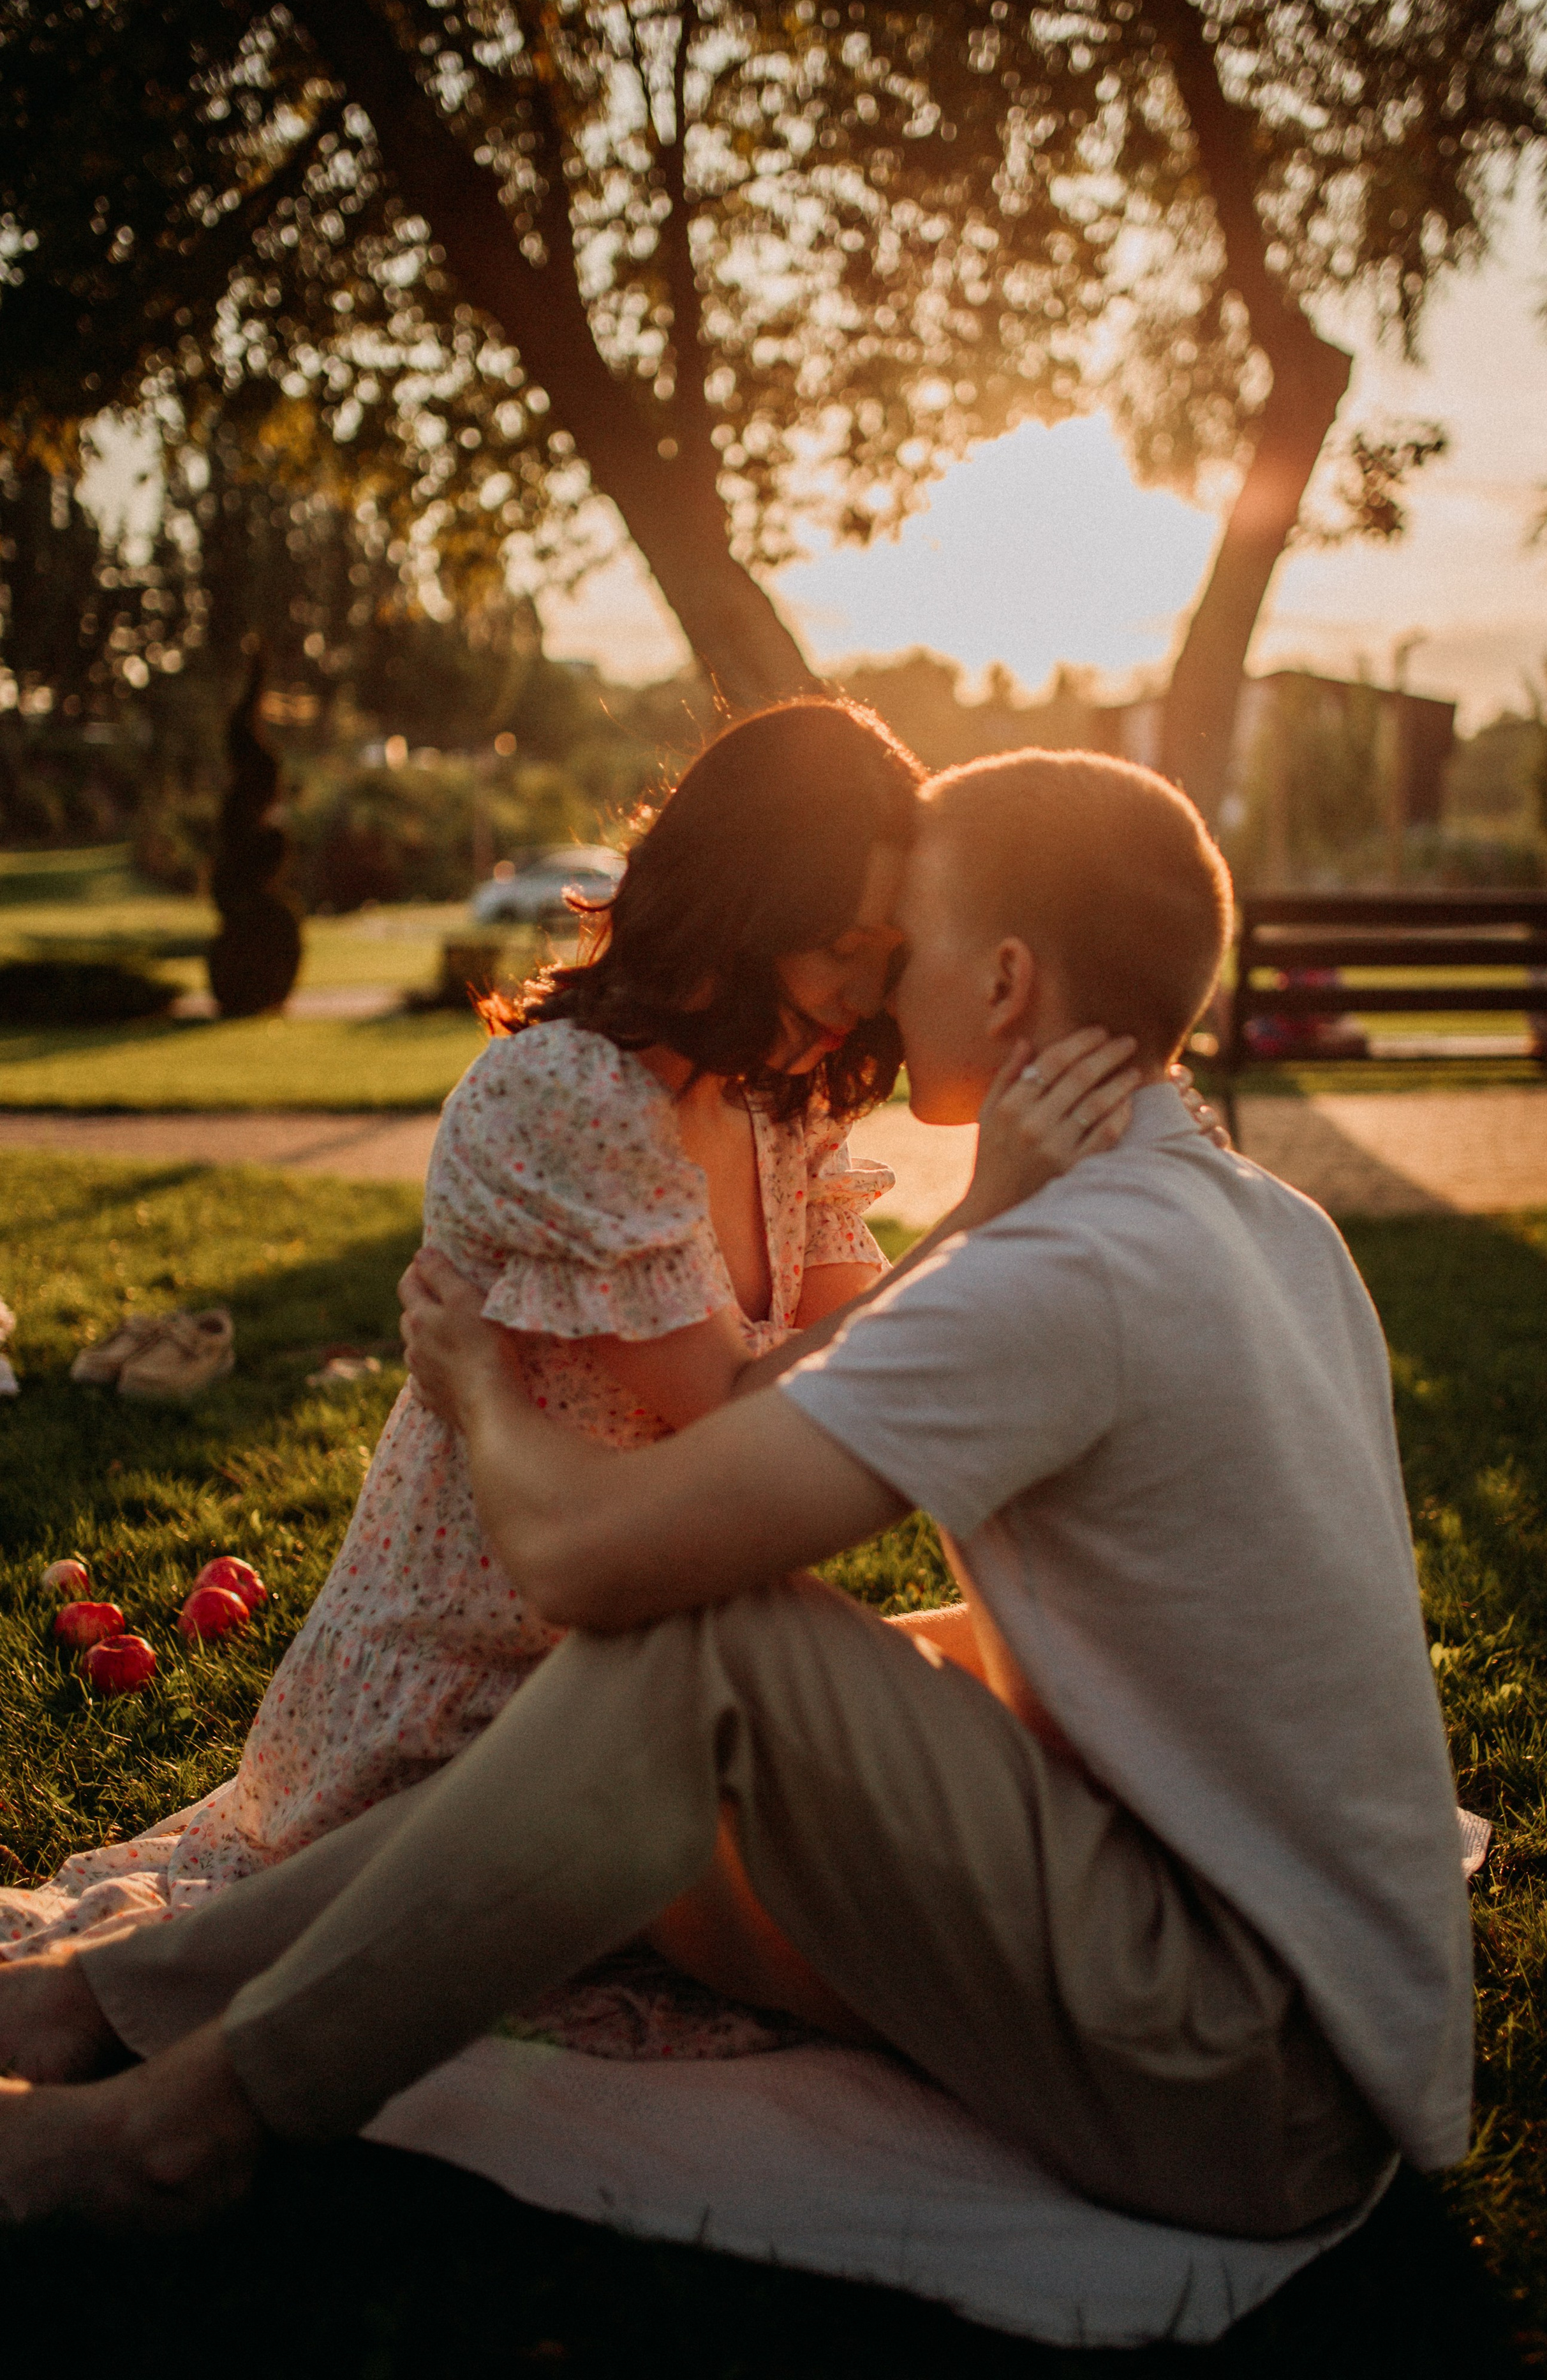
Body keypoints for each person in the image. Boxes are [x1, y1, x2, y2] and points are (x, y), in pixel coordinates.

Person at [0, 748, 1470, 2246]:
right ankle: (101, 2008)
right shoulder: (1263, 1222)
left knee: (706, 1644)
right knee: (748, 1660)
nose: (886, 996)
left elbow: (584, 1562)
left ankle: (172, 2128)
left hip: (1243, 2078)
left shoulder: (1063, 1266)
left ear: (1008, 979)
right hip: (1297, 2035)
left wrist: (479, 1386)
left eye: (915, 951)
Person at [0, 700, 1140, 1997]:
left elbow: (855, 1363)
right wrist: (985, 1214)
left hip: (661, 1663)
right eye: (840, 945)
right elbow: (737, 1418)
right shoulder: (571, 1096)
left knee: (1016, 1726)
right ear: (740, 899)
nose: (865, 990)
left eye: (886, 950)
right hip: (473, 1704)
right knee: (915, 1901)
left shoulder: (781, 1096)